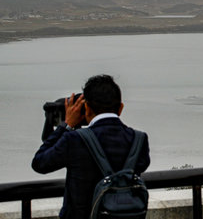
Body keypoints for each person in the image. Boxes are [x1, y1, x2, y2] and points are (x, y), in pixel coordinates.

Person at [32, 75, 150, 219]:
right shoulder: (139, 139)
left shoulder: (74, 139)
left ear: (86, 108)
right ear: (120, 108)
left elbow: (40, 163)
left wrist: (66, 125)